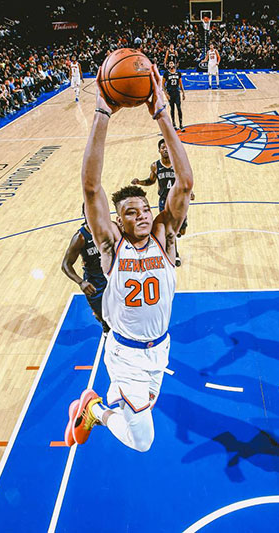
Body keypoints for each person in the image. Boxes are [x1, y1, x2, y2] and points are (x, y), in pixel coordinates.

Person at [64, 65, 194, 452]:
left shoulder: (164, 235)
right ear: (117, 221)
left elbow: (184, 183)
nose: (140, 215)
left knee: (133, 409)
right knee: (143, 442)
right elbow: (91, 188)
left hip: (160, 348)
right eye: (129, 212)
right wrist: (102, 113)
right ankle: (94, 410)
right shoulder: (111, 246)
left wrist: (162, 114)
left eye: (143, 208)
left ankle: (107, 404)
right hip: (125, 353)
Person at [131, 138, 194, 266]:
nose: (165, 149)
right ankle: (174, 255)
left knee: (182, 231)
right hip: (164, 201)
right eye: (163, 147)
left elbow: (185, 180)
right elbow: (151, 181)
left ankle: (176, 234)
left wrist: (190, 192)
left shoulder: (178, 165)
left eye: (167, 147)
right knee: (169, 230)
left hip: (179, 201)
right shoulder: (155, 166)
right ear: (159, 150)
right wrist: (140, 182)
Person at [61, 206, 110, 332]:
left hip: (112, 277)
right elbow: (66, 265)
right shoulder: (81, 237)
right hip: (95, 283)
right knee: (103, 317)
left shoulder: (110, 229)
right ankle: (106, 330)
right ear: (84, 214)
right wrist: (80, 282)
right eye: (89, 213)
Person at [163, 60, 185, 130]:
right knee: (172, 109)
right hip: (170, 93)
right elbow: (162, 85)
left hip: (177, 92)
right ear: (168, 65)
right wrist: (166, 94)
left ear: (174, 64)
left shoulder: (178, 73)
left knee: (179, 108)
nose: (171, 64)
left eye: (172, 63)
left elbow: (181, 84)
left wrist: (183, 93)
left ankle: (181, 124)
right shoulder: (166, 73)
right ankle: (174, 124)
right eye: (170, 63)